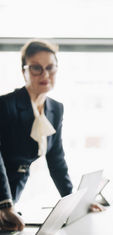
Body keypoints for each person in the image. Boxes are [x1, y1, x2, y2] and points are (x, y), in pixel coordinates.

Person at [0, 40, 73, 231]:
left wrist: (74, 203)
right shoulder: (6, 105)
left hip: (13, 192)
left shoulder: (55, 109)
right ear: (23, 71)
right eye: (36, 68)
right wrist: (4, 204)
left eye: (50, 67)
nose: (45, 74)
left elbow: (56, 160)